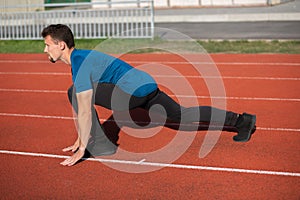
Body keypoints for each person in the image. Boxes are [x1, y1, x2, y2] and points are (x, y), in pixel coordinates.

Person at [41, 24, 256, 166]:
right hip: (145, 84)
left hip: (132, 91)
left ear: (61, 45)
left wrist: (82, 148)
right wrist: (79, 138)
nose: (45, 50)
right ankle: (242, 120)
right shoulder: (82, 57)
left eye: (47, 45)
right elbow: (84, 107)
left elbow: (85, 110)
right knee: (182, 115)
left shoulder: (80, 62)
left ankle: (101, 145)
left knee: (76, 92)